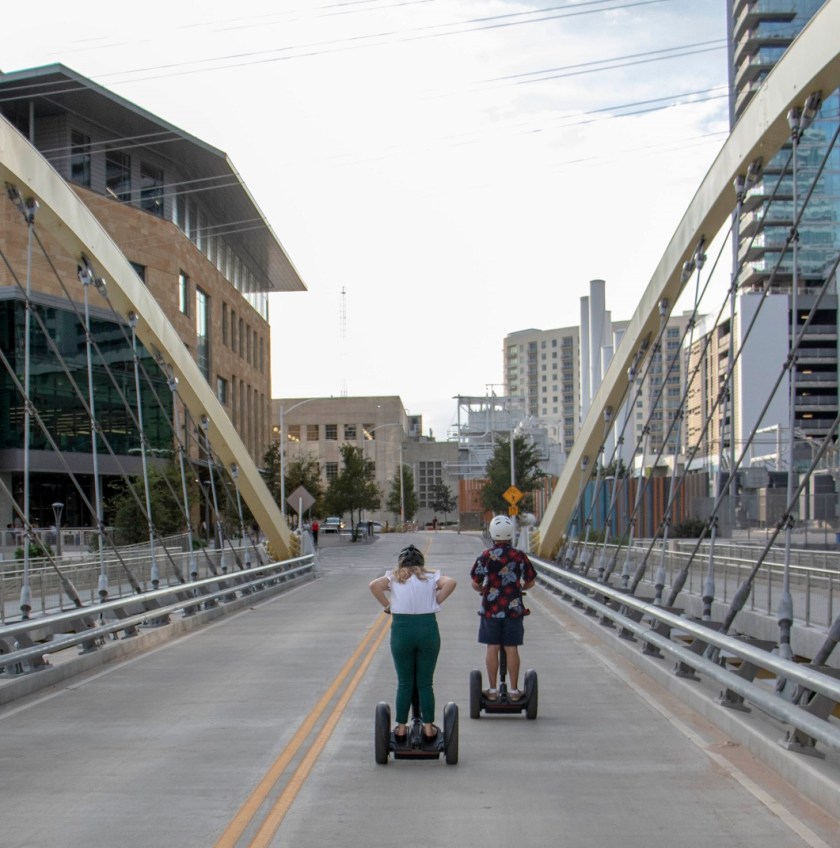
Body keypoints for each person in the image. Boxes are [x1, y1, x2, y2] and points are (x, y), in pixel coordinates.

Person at [369, 544, 457, 745]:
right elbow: (451, 582)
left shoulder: (394, 577)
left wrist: (388, 606)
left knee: (404, 682)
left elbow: (373, 585)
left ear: (401, 563)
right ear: (421, 563)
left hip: (402, 631)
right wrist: (436, 601)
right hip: (427, 630)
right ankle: (427, 728)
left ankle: (400, 729)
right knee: (425, 682)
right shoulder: (430, 577)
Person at [470, 514, 537, 702]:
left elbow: (475, 582)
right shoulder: (519, 556)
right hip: (513, 609)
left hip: (491, 609)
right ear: (510, 534)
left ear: (492, 533)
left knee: (492, 647)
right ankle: (514, 691)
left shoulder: (485, 556)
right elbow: (530, 579)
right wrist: (520, 588)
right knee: (511, 647)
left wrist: (483, 589)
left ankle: (492, 689)